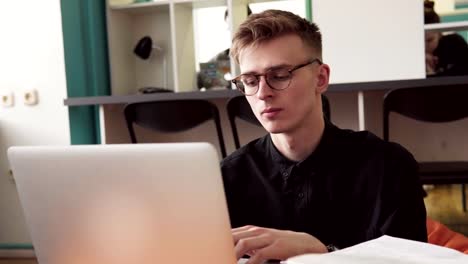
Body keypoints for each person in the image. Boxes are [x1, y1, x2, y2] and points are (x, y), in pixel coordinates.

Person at [221, 9, 427, 264]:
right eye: (251, 81)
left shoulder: (388, 166)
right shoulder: (227, 178)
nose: (263, 93)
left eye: (280, 75)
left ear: (320, 78)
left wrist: (324, 255)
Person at [197, 6, 252, 90]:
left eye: (237, 27)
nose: (234, 32)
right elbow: (201, 78)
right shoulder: (221, 57)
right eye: (230, 27)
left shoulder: (262, 54)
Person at [424, 0, 468, 76]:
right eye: (419, 42)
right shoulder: (409, 53)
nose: (424, 46)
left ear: (439, 34)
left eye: (429, 40)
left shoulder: (454, 44)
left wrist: (432, 73)